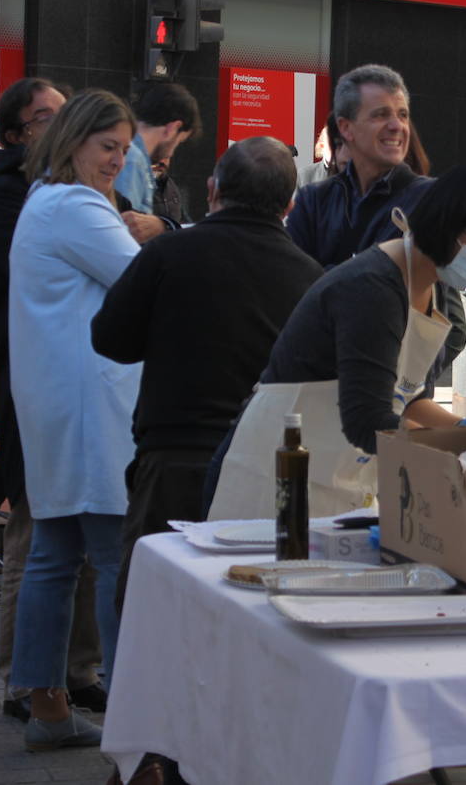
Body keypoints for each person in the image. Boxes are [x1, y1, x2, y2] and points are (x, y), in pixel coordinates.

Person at [204, 159, 466, 518]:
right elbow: (368, 420)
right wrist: (453, 455)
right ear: (446, 224)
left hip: (335, 475)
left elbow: (405, 397)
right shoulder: (372, 288)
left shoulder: (430, 287)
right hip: (271, 475)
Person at [91, 136, 324, 605]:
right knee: (244, 613)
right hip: (263, 473)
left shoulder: (167, 254)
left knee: (150, 609)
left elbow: (109, 339)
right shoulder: (311, 278)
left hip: (172, 463)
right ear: (290, 204)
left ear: (213, 188)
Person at [0, 78, 108, 722]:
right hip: (34, 382)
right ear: (22, 134)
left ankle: (75, 672)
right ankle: (26, 680)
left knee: (75, 533)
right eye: (48, 117)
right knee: (35, 530)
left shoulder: (72, 192)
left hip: (81, 385)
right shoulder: (13, 195)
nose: (64, 126)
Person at [7, 89, 142, 751]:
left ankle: (47, 706)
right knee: (117, 557)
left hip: (59, 402)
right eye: (106, 147)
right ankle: (136, 716)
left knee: (55, 555)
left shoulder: (46, 203)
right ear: (73, 142)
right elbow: (146, 281)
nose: (117, 160)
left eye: (123, 148)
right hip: (93, 409)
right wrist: (164, 233)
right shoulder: (79, 207)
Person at [284, 65, 433, 265]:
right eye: (381, 114)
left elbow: (441, 289)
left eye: (402, 115)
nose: (397, 126)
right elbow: (294, 279)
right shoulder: (313, 201)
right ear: (346, 128)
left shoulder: (429, 201)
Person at [113, 81, 200, 223]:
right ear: (172, 128)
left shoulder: (132, 155)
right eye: (178, 142)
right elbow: (129, 228)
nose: (171, 154)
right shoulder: (133, 160)